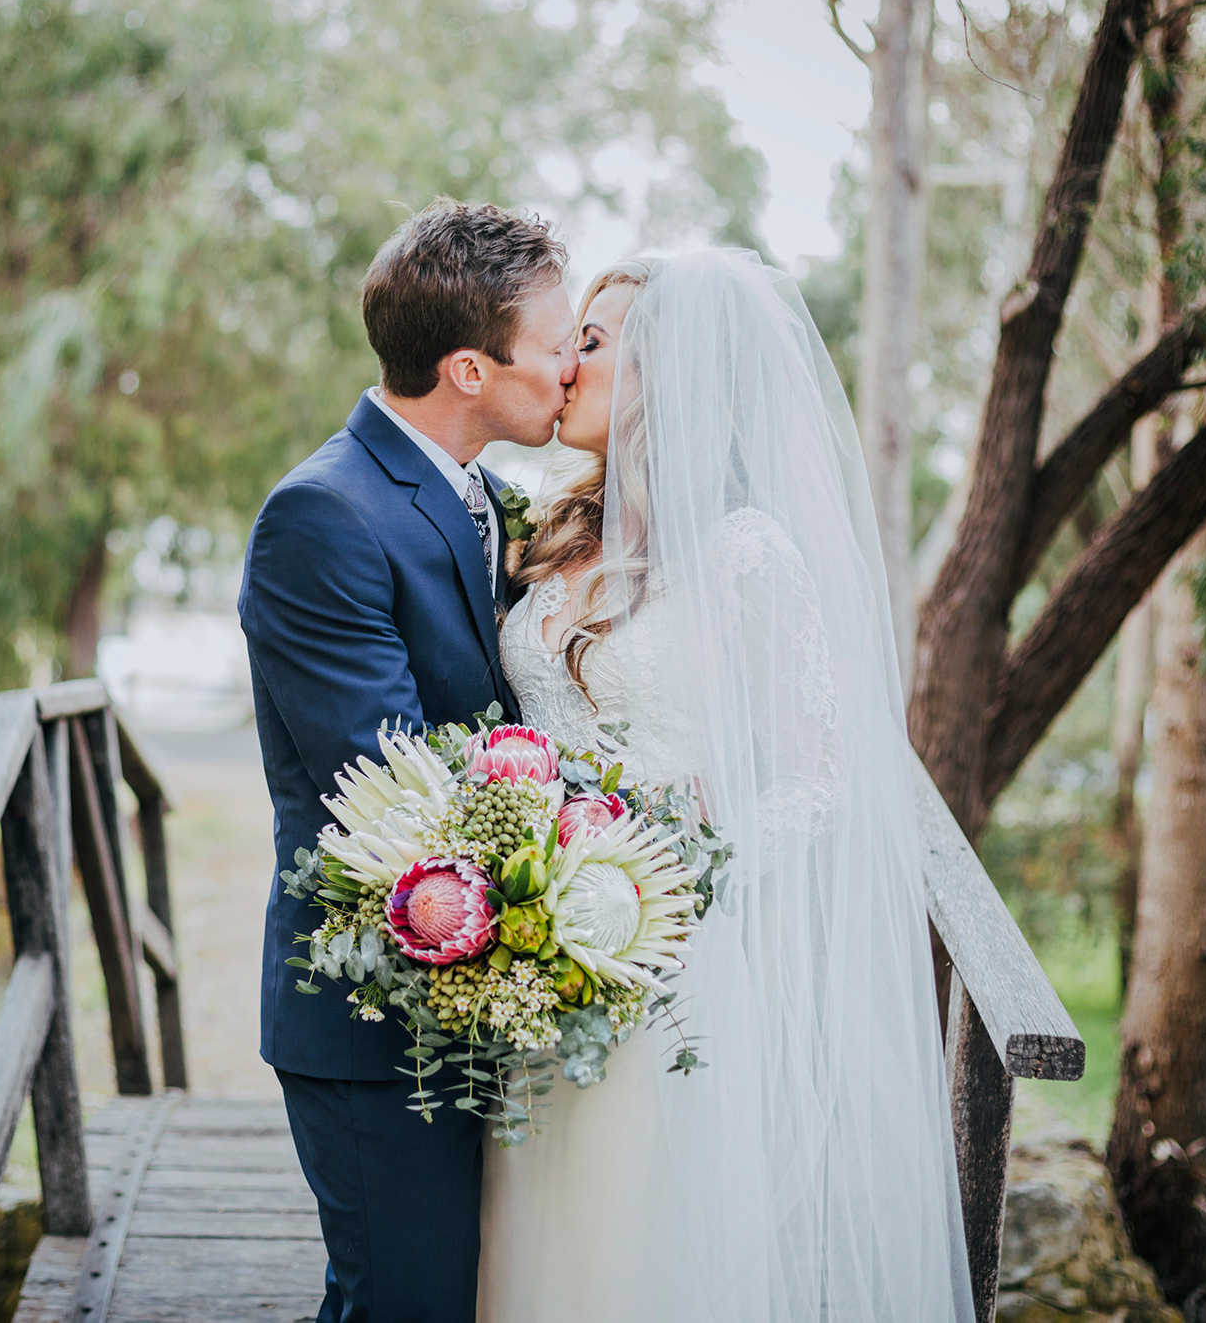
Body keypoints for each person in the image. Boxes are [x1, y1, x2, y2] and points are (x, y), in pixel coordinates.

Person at [480, 249, 977, 1322]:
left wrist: (652, 884)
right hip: (529, 959)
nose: (565, 363)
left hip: (670, 969)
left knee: (640, 1255)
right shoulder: (556, 534)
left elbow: (815, 777)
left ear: (674, 377)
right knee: (534, 1248)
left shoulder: (746, 555)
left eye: (594, 344)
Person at [237, 197, 578, 1323]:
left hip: (475, 1001)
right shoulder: (321, 515)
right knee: (401, 1303)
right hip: (372, 1018)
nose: (570, 368)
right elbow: (393, 786)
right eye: (555, 343)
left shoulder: (478, 494)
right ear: (471, 369)